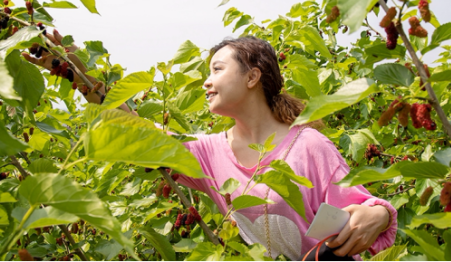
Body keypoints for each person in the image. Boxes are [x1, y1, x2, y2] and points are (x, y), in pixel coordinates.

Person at [23, 31, 397, 261]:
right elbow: (139, 131)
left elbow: (365, 207)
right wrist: (77, 70)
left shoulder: (308, 146)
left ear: (253, 77)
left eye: (217, 69)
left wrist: (378, 214)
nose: (206, 82)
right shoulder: (208, 152)